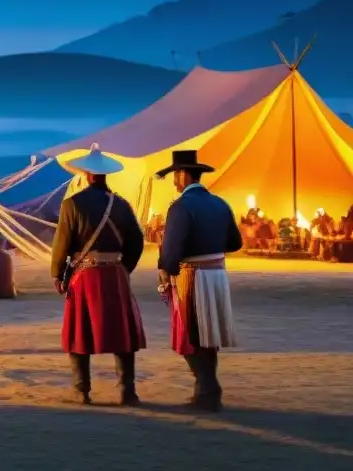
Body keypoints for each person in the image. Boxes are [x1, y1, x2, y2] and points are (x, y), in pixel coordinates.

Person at [51, 147, 145, 405]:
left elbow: (63, 243)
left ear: (85, 173)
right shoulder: (122, 205)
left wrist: (58, 274)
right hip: (115, 275)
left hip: (84, 276)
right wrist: (124, 268)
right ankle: (127, 390)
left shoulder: (72, 204)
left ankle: (82, 390)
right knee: (122, 334)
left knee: (79, 333)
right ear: (105, 174)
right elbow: (137, 242)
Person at [156, 149, 242, 412]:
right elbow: (235, 243)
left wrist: (164, 271)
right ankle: (206, 389)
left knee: (190, 334)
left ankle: (207, 389)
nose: (174, 181)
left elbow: (171, 250)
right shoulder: (220, 203)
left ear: (182, 174)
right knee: (208, 334)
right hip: (217, 274)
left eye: (175, 175)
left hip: (191, 276)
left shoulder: (180, 206)